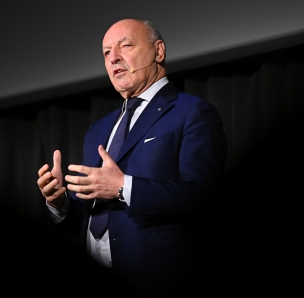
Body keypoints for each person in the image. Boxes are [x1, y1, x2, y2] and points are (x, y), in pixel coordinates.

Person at [37, 18, 227, 295]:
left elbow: (203, 196)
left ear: (158, 52)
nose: (113, 58)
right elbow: (91, 219)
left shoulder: (191, 112)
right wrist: (60, 203)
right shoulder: (98, 129)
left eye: (125, 46)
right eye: (106, 53)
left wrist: (122, 187)